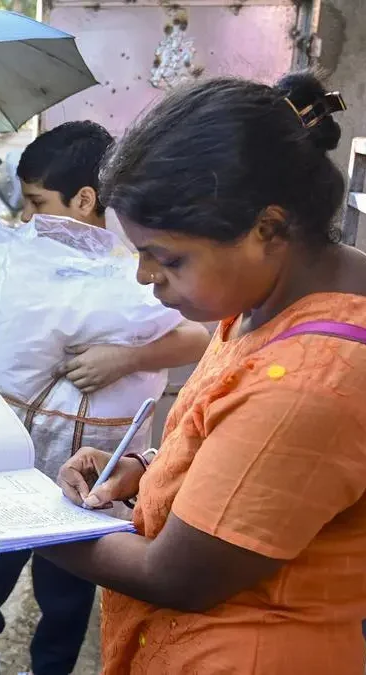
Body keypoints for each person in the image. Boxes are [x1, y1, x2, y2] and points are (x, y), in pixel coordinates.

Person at [42, 73, 366, 674]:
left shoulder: (309, 381)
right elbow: (229, 449)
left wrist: (28, 526)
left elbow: (177, 575)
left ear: (268, 229)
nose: (144, 277)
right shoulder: (260, 303)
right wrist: (140, 472)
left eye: (167, 258)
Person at [0, 120, 212, 675]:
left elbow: (198, 335)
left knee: (67, 588)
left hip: (91, 462)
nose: (26, 217)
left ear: (85, 199)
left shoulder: (136, 265)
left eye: (37, 202)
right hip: (13, 448)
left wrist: (127, 357)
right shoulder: (24, 256)